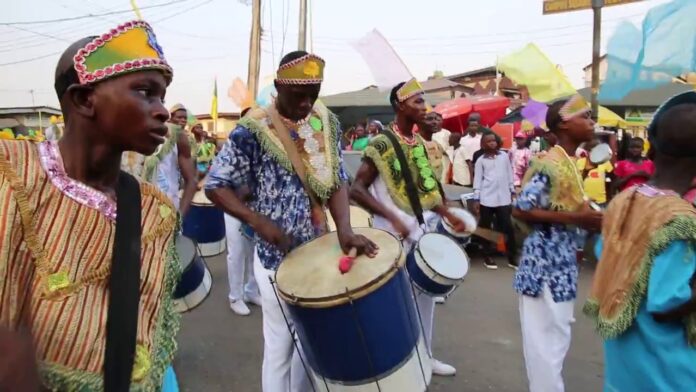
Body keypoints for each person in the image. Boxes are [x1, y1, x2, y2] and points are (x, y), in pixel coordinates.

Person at [0, 20, 180, 391]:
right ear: (84, 100)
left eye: (162, 96)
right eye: (146, 92)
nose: (162, 110)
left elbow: (149, 333)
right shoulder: (12, 173)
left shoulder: (155, 211)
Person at [205, 51, 377, 392]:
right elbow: (215, 185)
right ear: (279, 86)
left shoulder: (324, 121)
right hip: (276, 263)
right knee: (280, 349)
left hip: (320, 253)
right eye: (299, 95)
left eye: (313, 94)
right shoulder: (251, 130)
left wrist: (345, 230)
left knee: (311, 344)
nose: (306, 103)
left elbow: (337, 180)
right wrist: (257, 221)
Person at [350, 78, 468, 377]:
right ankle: (393, 367)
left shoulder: (417, 144)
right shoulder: (382, 143)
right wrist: (394, 219)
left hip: (419, 232)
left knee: (425, 302)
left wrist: (446, 213)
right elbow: (357, 190)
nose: (424, 106)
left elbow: (426, 190)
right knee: (392, 305)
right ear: (399, 106)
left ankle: (424, 356)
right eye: (417, 101)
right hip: (390, 237)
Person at [585, 91, 696, 391]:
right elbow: (666, 303)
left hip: (625, 373)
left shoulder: (624, 201)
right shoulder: (680, 221)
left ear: (651, 150)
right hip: (669, 377)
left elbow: (604, 254)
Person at [512, 95, 603, 392]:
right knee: (544, 344)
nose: (593, 122)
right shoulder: (548, 162)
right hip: (544, 264)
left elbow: (566, 207)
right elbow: (521, 209)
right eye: (586, 116)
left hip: (563, 262)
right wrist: (579, 219)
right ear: (564, 123)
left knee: (557, 338)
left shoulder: (569, 162)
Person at [473, 133, 517, 270]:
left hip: (503, 198)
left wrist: (512, 190)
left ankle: (512, 257)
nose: (492, 143)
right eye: (488, 141)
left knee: (507, 227)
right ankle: (487, 256)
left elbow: (509, 173)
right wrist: (476, 198)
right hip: (487, 198)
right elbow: (478, 180)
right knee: (487, 228)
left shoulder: (504, 156)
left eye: (494, 140)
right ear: (483, 144)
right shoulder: (481, 160)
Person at [576, 137, 614, 208]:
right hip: (584, 201)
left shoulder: (605, 162)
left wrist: (610, 196)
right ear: (587, 151)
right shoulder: (580, 162)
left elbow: (612, 178)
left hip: (601, 201)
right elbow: (577, 181)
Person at [452, 114, 483, 186]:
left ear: (478, 126)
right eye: (471, 126)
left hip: (479, 164)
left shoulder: (481, 138)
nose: (474, 127)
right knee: (470, 182)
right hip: (467, 165)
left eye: (475, 126)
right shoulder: (463, 140)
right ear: (468, 127)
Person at [419, 111, 447, 181]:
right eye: (430, 119)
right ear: (419, 123)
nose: (435, 122)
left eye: (436, 119)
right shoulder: (414, 144)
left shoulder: (436, 143)